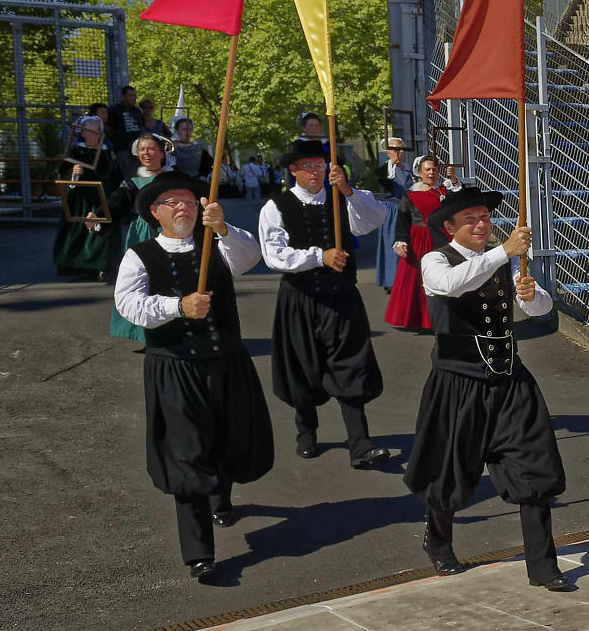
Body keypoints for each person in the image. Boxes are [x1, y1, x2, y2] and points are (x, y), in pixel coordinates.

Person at [405, 187, 571, 590]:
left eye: (484, 217)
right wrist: (504, 252)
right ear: (449, 228)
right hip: (458, 382)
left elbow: (540, 308)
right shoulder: (435, 260)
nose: (481, 225)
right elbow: (452, 285)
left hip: (509, 378)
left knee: (534, 465)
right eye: (470, 219)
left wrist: (534, 297)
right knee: (450, 469)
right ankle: (439, 541)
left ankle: (543, 565)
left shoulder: (500, 260)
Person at [112, 173, 273, 582]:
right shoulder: (140, 254)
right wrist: (180, 306)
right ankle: (199, 551)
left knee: (227, 438)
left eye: (188, 201)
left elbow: (249, 258)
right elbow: (129, 305)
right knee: (186, 455)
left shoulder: (216, 243)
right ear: (155, 213)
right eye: (172, 203)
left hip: (225, 362)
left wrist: (221, 226)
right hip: (175, 366)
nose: (183, 208)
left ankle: (221, 495)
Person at [258, 140, 388, 468]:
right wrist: (320, 256)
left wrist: (347, 189)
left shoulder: (342, 199)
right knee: (303, 365)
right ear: (294, 170)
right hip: (299, 298)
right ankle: (306, 431)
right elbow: (275, 256)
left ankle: (360, 443)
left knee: (351, 365)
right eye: (308, 167)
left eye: (321, 165)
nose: (316, 172)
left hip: (342, 295)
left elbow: (374, 219)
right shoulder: (276, 207)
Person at [108, 134, 172, 344]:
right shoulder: (132, 182)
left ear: (162, 153)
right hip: (140, 235)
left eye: (151, 149)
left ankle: (169, 330)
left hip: (171, 232)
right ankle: (142, 333)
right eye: (142, 149)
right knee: (139, 281)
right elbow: (116, 202)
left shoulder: (174, 179)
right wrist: (98, 214)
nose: (146, 153)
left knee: (168, 279)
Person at [51, 116, 125, 280]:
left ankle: (103, 266)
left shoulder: (108, 153)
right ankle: (78, 266)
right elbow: (63, 173)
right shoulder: (75, 152)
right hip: (81, 200)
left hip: (103, 198)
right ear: (82, 133)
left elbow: (116, 176)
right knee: (78, 232)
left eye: (96, 132)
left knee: (104, 232)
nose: (92, 136)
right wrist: (73, 173)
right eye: (88, 132)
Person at [382, 155, 443, 331]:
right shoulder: (410, 196)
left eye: (434, 169)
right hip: (418, 243)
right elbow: (402, 222)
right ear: (420, 172)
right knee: (416, 281)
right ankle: (420, 319)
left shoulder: (445, 193)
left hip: (440, 241)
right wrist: (401, 241)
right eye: (428, 169)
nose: (431, 172)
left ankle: (439, 318)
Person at [374, 136, 410, 291]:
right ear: (388, 152)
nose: (400, 152)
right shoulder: (383, 171)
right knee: (391, 243)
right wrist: (395, 167)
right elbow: (387, 187)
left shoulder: (409, 168)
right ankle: (391, 279)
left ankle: (407, 278)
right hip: (392, 210)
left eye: (402, 149)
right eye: (396, 149)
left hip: (408, 209)